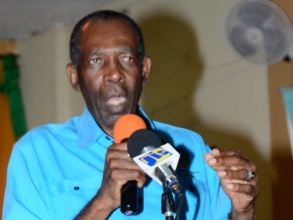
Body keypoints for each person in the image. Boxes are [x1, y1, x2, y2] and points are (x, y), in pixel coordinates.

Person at [2, 10, 259, 220]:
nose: (114, 73)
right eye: (96, 61)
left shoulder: (191, 146)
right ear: (74, 77)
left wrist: (243, 211)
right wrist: (103, 201)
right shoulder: (38, 151)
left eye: (126, 58)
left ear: (144, 71)